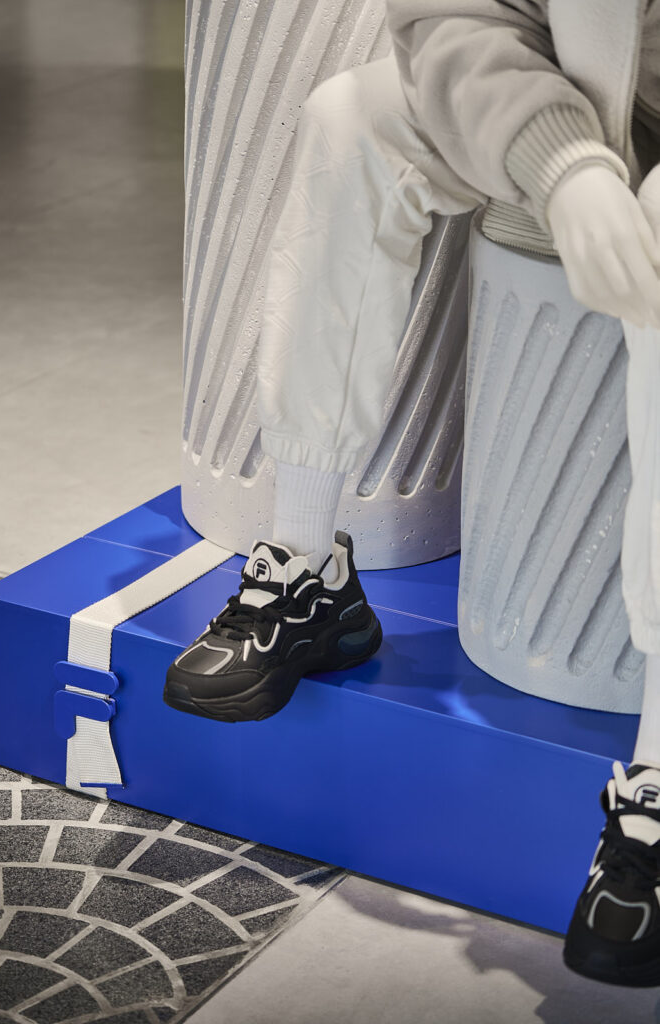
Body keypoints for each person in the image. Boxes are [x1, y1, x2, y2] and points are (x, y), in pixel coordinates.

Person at [164, 0, 660, 985]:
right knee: (349, 119)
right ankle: (306, 568)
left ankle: (655, 774)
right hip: (580, 96)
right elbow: (451, 12)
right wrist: (561, 159)